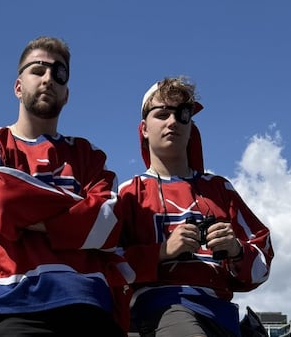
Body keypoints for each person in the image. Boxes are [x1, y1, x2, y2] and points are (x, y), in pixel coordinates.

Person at [0, 36, 128, 337]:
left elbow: (107, 223)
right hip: (15, 301)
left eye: (59, 73)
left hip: (89, 301)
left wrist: (25, 218)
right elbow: (3, 200)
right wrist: (77, 209)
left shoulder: (88, 155)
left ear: (66, 94)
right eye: (38, 70)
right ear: (17, 86)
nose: (48, 78)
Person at [117, 76, 274, 337]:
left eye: (182, 114)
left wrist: (235, 250)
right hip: (162, 309)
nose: (173, 122)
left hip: (221, 313)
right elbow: (107, 263)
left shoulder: (219, 189)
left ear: (191, 127)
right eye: (162, 113)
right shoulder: (129, 193)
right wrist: (162, 251)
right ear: (144, 128)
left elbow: (262, 259)